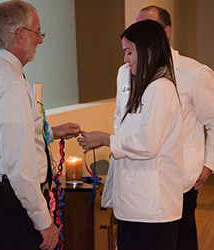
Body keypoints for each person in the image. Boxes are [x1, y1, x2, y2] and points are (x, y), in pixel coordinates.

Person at [0, 1, 80, 250]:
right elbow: (19, 163)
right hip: (5, 207)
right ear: (20, 35)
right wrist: (44, 222)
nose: (40, 40)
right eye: (38, 33)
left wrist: (52, 133)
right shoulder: (11, 82)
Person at [78, 19, 184, 250]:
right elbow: (122, 122)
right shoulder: (130, 77)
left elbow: (147, 145)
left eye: (129, 52)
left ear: (148, 51)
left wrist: (106, 140)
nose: (125, 59)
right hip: (131, 201)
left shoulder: (161, 88)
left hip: (153, 206)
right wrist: (110, 140)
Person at [133, 6, 214, 250]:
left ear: (166, 32)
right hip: (143, 181)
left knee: (181, 241)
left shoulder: (194, 73)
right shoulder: (131, 72)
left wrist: (208, 165)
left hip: (180, 181)